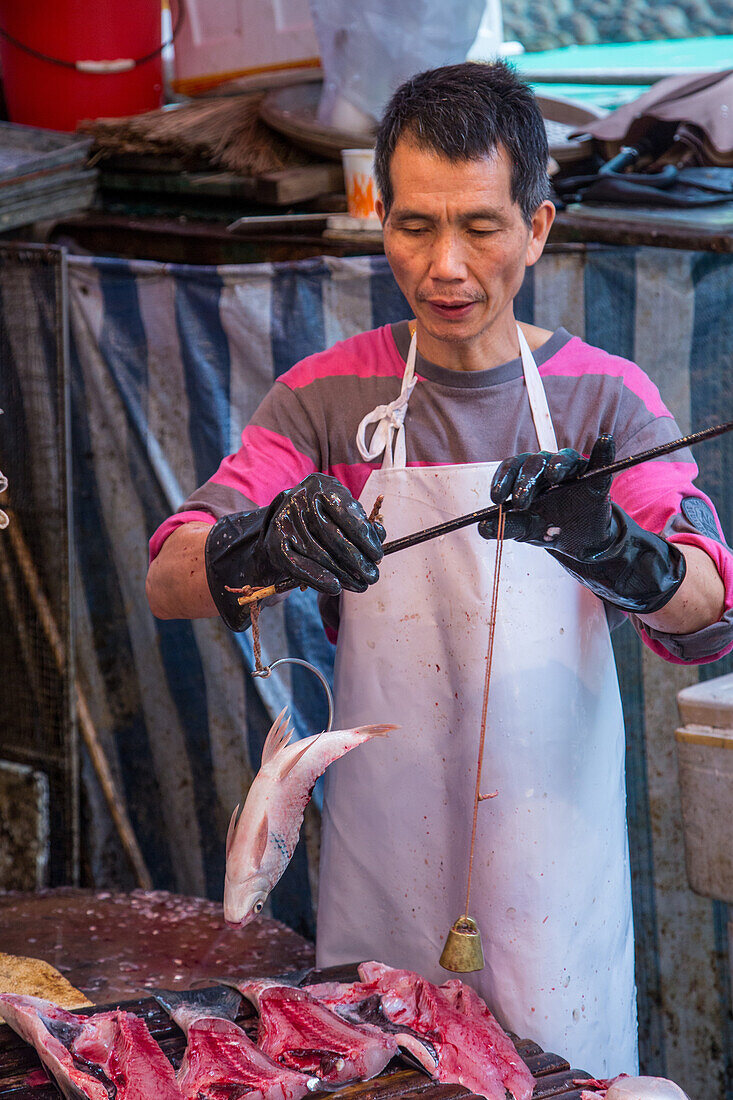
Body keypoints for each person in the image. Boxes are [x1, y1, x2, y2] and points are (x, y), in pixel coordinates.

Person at [146, 61, 733, 1076]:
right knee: (379, 1072)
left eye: (479, 225)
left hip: (554, 873)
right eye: (414, 225)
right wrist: (264, 542)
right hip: (385, 863)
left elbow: (708, 610)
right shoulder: (327, 397)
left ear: (537, 228)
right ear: (382, 220)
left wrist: (609, 548)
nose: (445, 265)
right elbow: (170, 576)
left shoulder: (606, 403)